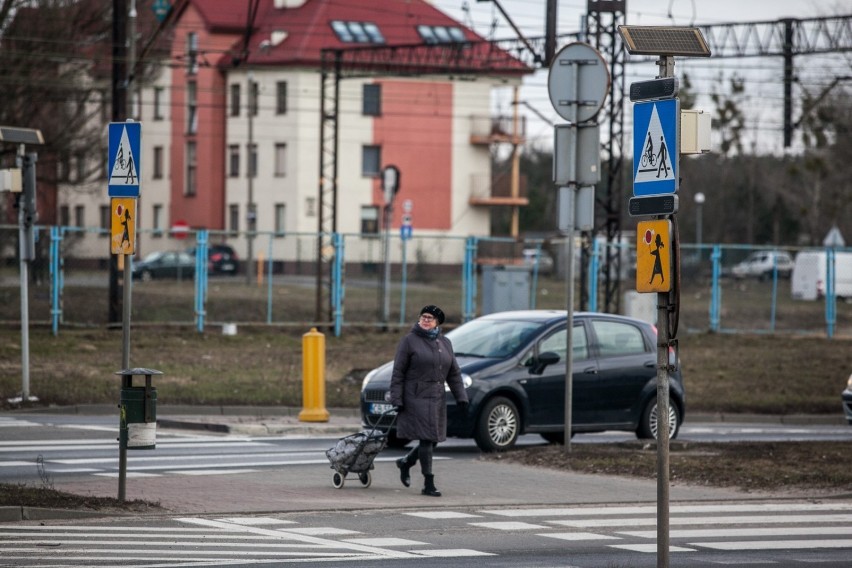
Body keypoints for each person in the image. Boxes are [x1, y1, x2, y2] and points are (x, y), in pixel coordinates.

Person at [389, 305, 468, 497]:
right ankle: (428, 483)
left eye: (430, 318)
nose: (425, 320)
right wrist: (396, 399)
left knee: (434, 440)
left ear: (437, 323)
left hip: (437, 397)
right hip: (415, 396)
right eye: (423, 316)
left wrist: (461, 397)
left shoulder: (445, 343)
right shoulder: (409, 341)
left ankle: (406, 461)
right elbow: (398, 372)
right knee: (426, 439)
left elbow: (454, 373)